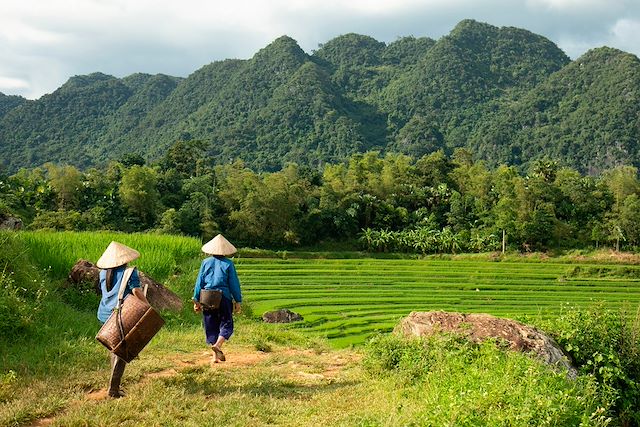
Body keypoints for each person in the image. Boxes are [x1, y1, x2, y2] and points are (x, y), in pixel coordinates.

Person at [96, 241, 149, 398]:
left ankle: (114, 385)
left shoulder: (102, 273)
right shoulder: (129, 272)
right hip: (120, 315)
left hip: (103, 314)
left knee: (115, 349)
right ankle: (113, 389)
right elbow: (136, 291)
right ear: (124, 258)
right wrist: (147, 305)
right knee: (121, 352)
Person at [193, 234, 242, 364]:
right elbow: (233, 284)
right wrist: (237, 300)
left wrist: (196, 300)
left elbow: (199, 282)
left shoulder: (205, 262)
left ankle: (214, 357)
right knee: (226, 323)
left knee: (211, 324)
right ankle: (218, 345)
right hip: (223, 296)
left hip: (207, 296)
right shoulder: (228, 264)